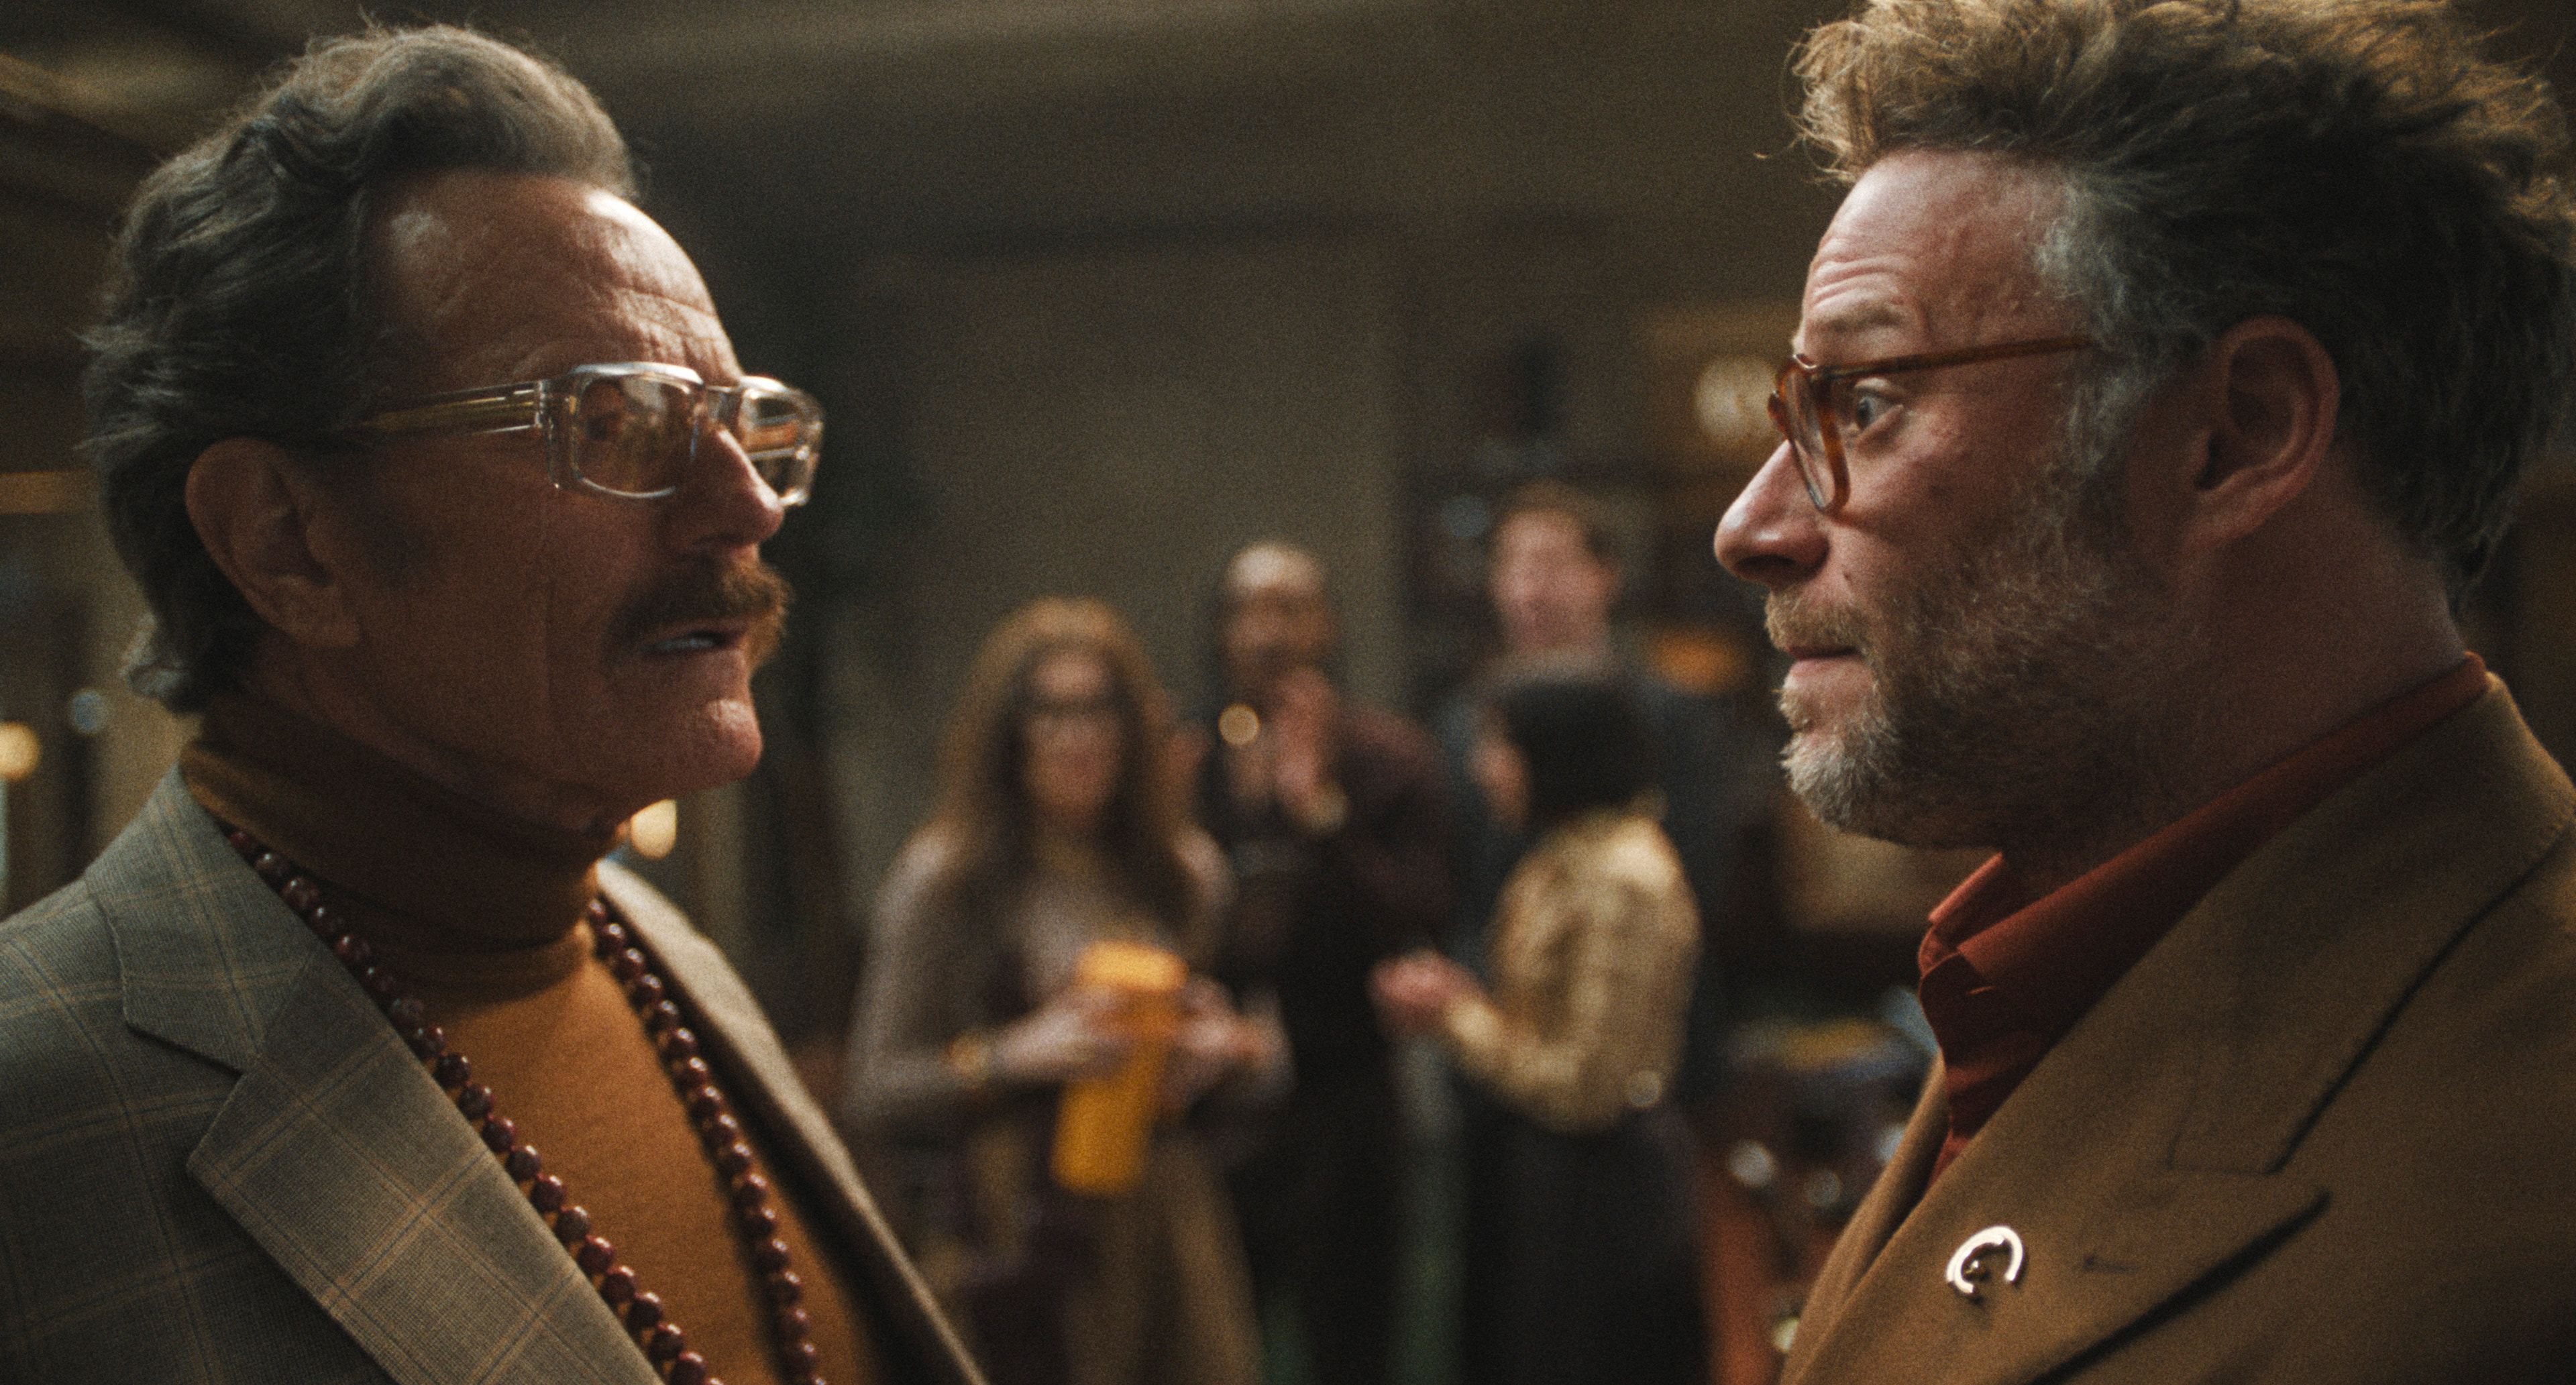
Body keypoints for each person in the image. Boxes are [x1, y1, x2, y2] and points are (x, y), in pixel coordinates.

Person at [0, 25, 980, 1385]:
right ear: (288, 541)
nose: (748, 505)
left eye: (743, 423)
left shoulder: (652, 950)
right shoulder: (39, 1117)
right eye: (620, 422)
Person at [1710, 0, 2576, 1380]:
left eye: (1865, 403)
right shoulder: (2071, 950)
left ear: (2238, 435)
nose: (1752, 526)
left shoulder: (2521, 1193)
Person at [842, 598, 1273, 1385]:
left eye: (1099, 711)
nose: (1078, 738)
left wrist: (1220, 1053)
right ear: (1009, 732)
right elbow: (876, 1087)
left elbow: (1258, 1061)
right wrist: (1013, 1055)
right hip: (1019, 1231)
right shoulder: (946, 880)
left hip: (1170, 1221)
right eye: (1050, 713)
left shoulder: (1183, 872)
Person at [1376, 673, 1705, 1385]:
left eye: (1501, 746)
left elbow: (1586, 1087)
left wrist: (1453, 1017)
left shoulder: (1623, 876)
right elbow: (1536, 1019)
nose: (1483, 767)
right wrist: (1461, 1000)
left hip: (1601, 1192)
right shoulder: (1561, 852)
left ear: (1557, 753)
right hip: (1546, 1170)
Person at [1186, 541, 1451, 1385]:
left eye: (1289, 608)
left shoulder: (1389, 756)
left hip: (1347, 1101)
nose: (1266, 632)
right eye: (1246, 610)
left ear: (1328, 624)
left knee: (1353, 1346)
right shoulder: (1188, 763)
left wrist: (1320, 810)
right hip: (1215, 1111)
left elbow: (1419, 919)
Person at [1436, 480, 1758, 1109]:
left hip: (1645, 1049)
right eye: (1514, 568)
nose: (1531, 591)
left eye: (1553, 566)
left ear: (1605, 577)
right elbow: (1465, 889)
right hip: (1501, 1049)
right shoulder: (1463, 724)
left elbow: (1699, 876)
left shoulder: (1667, 714)